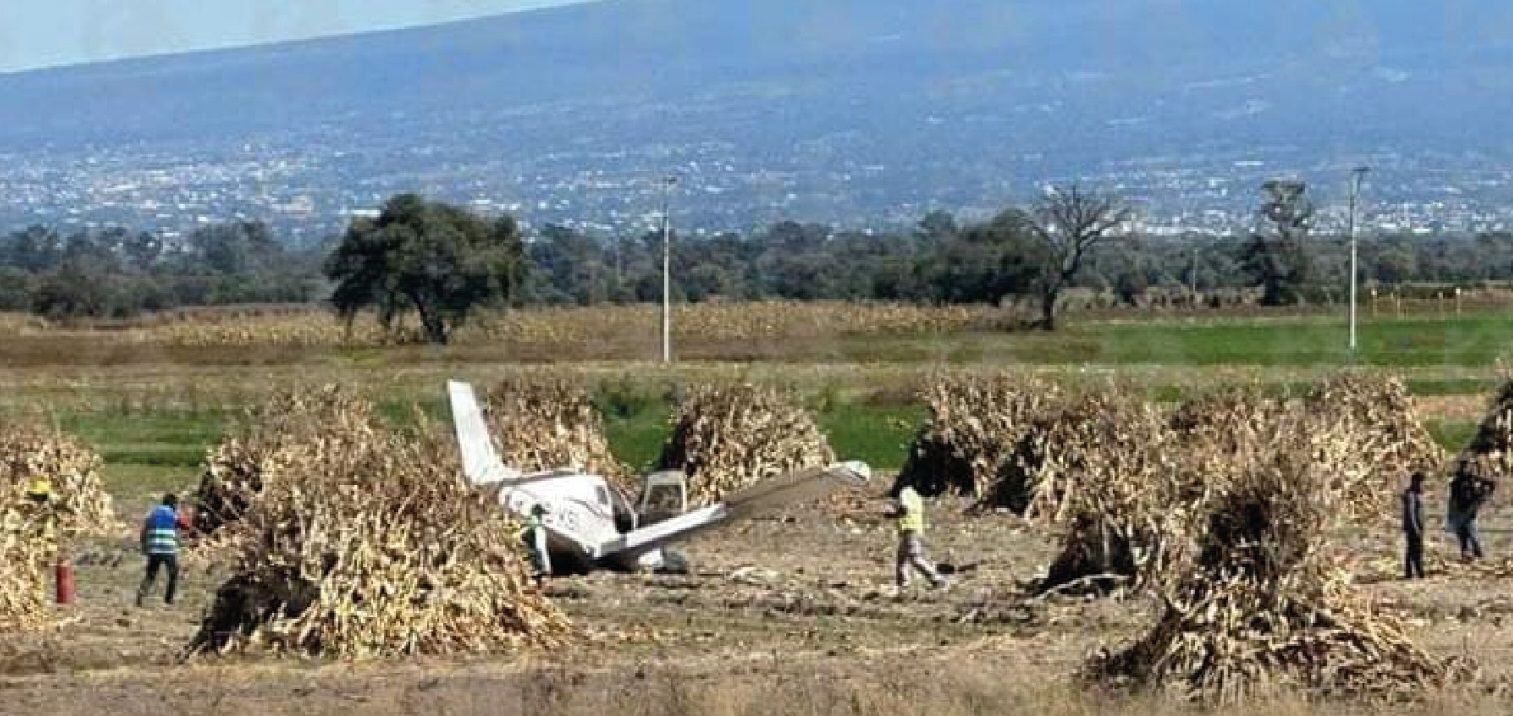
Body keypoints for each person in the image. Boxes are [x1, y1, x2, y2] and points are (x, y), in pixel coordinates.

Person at [890, 485, 946, 590]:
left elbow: (904, 509)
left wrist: (892, 515)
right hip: (913, 529)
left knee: (914, 558)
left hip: (909, 529)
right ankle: (903, 585)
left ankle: (936, 579)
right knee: (902, 559)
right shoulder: (915, 494)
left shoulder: (905, 492)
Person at [136, 493, 182, 607]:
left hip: (154, 548)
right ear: (173, 504)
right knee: (173, 573)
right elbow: (184, 524)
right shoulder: (173, 514)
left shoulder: (152, 514)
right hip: (168, 549)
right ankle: (168, 599)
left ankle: (142, 593)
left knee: (151, 574)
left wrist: (144, 546)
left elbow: (144, 531)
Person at [1447, 467, 1496, 561]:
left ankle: (1476, 555)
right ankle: (1470, 556)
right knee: (1466, 538)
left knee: (1472, 537)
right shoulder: (1458, 485)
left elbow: (1491, 484)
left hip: (1466, 513)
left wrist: (1477, 479)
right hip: (1461, 513)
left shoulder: (1469, 485)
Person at [1402, 472, 1426, 579]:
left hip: (1416, 527)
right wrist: (1415, 528)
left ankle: (1409, 573)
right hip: (1413, 528)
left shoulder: (1415, 494)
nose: (1422, 486)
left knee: (1411, 550)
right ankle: (1419, 572)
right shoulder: (1411, 495)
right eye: (1421, 483)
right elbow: (1410, 514)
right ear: (1415, 482)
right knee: (1416, 550)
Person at [521, 504, 551, 585]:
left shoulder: (534, 521)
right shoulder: (534, 521)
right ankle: (541, 575)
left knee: (537, 556)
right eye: (540, 513)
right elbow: (539, 547)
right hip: (536, 554)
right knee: (538, 554)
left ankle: (539, 578)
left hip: (535, 554)